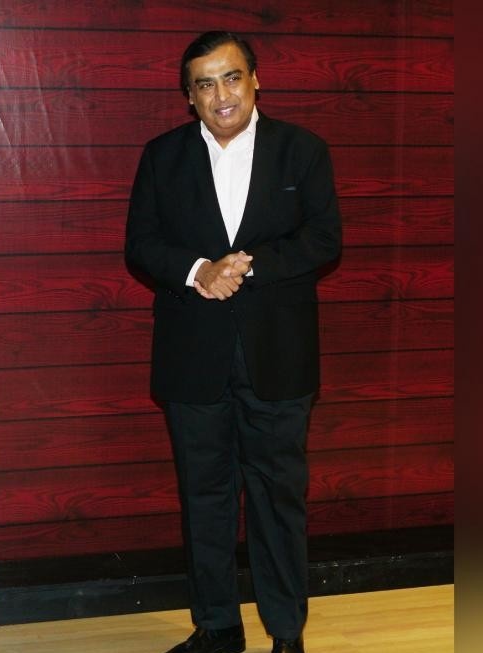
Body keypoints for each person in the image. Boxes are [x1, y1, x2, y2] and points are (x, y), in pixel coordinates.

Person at [125, 30, 341, 653]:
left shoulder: (303, 150)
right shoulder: (161, 156)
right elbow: (142, 245)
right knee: (205, 499)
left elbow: (324, 239)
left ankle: (286, 635)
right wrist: (199, 271)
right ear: (189, 96)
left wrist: (246, 266)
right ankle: (217, 628)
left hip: (280, 359)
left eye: (232, 77)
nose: (221, 94)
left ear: (255, 80)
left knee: (279, 500)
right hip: (193, 359)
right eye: (205, 83)